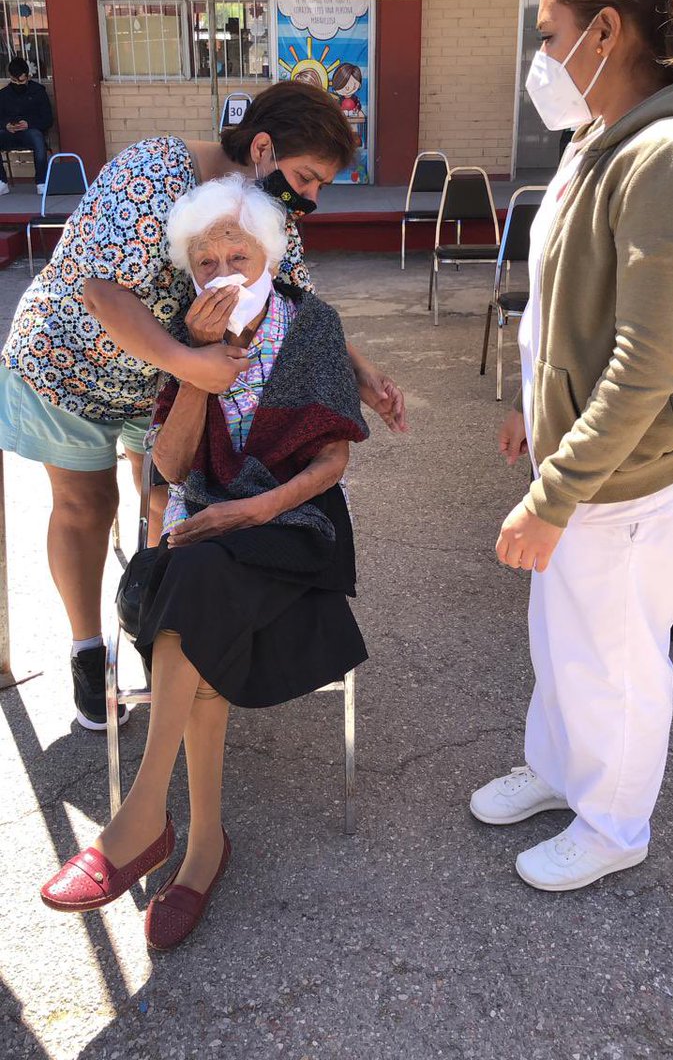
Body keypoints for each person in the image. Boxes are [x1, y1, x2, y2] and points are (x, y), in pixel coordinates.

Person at [0, 80, 404, 732]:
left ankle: (161, 636)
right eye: (305, 177)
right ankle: (86, 652)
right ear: (263, 147)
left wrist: (362, 374)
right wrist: (194, 366)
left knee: (167, 500)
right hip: (69, 366)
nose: (310, 197)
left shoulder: (269, 213)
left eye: (320, 186)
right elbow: (102, 293)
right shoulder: (153, 170)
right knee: (86, 506)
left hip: (161, 386)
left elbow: (292, 300)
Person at [40, 174, 369, 950]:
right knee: (195, 573)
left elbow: (330, 465)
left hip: (292, 527)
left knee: (193, 577)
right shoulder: (183, 334)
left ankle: (148, 820)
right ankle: (198, 843)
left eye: (238, 253)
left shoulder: (311, 324)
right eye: (206, 258)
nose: (223, 269)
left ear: (270, 253)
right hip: (209, 540)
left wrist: (251, 508)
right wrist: (195, 364)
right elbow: (176, 465)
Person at [470, 0, 673, 892]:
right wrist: (532, 406)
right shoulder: (602, 135)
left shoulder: (662, 153)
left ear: (606, 33)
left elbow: (646, 360)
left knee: (617, 654)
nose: (541, 56)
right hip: (580, 456)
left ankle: (615, 822)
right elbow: (564, 309)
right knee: (562, 637)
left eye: (550, 35)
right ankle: (559, 772)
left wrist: (556, 493)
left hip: (625, 477)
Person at [0, 55, 53, 195]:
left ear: (28, 76)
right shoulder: (4, 94)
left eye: (21, 80)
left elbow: (48, 119)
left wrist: (29, 124)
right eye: (14, 80)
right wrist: (6, 125)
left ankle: (41, 182)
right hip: (9, 133)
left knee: (37, 137)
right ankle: (2, 182)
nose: (17, 84)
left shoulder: (38, 91)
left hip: (30, 131)